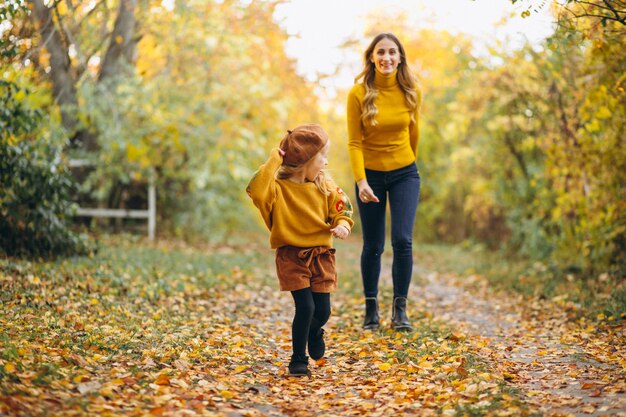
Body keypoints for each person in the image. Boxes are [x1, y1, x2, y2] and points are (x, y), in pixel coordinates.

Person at [246, 124, 354, 376]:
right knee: (305, 307)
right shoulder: (277, 189)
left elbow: (342, 207)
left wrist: (342, 225)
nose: (326, 163)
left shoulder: (324, 186)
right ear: (305, 160)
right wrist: (275, 158)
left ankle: (314, 331)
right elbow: (257, 191)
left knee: (322, 311)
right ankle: (298, 359)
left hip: (321, 255)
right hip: (291, 256)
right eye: (322, 156)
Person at [346, 32, 422, 331]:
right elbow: (354, 142)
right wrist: (361, 181)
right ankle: (370, 309)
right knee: (373, 245)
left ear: (400, 57)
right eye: (381, 52)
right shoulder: (358, 93)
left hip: (405, 172)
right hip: (370, 176)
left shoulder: (411, 91)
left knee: (402, 240)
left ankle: (400, 310)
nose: (387, 57)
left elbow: (414, 135)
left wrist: (406, 166)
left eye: (392, 52)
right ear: (372, 57)